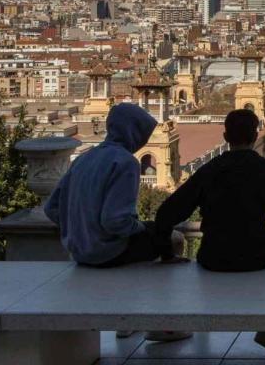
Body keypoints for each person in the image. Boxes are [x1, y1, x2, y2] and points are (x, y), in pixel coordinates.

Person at [153, 109, 265, 355]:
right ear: (254, 136)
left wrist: (167, 254)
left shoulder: (210, 170)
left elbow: (165, 215)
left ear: (226, 136)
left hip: (213, 256)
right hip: (257, 254)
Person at [44, 103, 190, 343]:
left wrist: (80, 226)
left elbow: (51, 208)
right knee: (171, 239)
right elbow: (116, 221)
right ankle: (164, 325)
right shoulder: (125, 163)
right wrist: (141, 228)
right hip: (106, 251)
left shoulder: (83, 158)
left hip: (78, 250)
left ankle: (128, 321)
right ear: (134, 132)